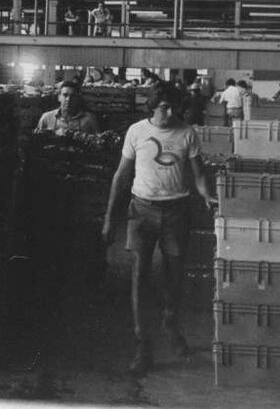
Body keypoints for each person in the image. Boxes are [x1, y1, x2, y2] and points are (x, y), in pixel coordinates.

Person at [101, 81, 216, 376]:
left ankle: (170, 320)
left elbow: (199, 174)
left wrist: (206, 194)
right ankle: (142, 345)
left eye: (173, 105)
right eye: (163, 105)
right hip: (141, 211)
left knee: (174, 275)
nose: (169, 111)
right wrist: (109, 217)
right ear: (152, 105)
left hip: (177, 211)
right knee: (139, 275)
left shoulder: (187, 133)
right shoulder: (137, 132)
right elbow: (121, 176)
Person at [35, 80, 101, 135]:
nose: (68, 99)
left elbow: (98, 143)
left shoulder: (89, 120)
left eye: (73, 96)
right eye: (65, 95)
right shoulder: (47, 118)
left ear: (77, 98)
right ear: (59, 97)